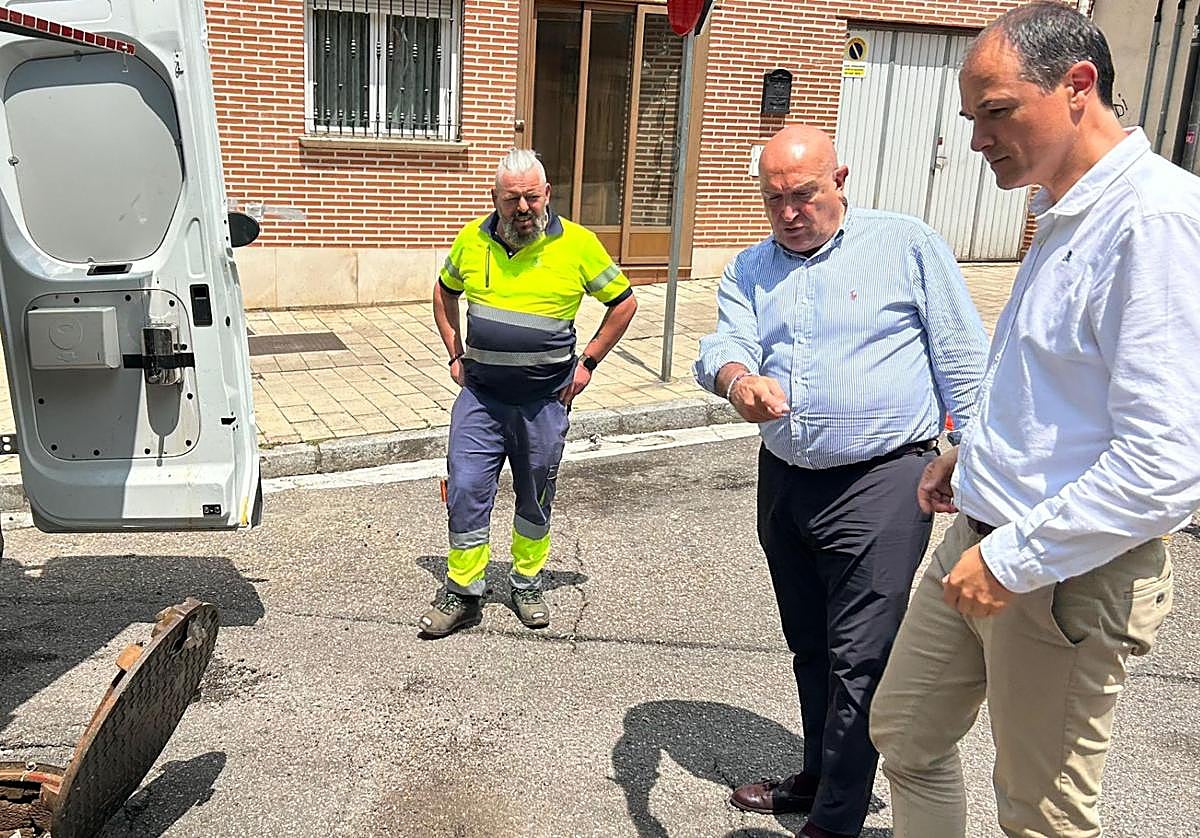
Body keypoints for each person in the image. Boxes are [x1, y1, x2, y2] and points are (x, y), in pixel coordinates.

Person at [869, 5, 1200, 836]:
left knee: (1042, 816)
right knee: (905, 733)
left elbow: (1166, 465)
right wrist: (971, 452)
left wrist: (1013, 560)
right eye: (971, 117)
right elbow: (1057, 388)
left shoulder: (1155, 223)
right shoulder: (1066, 210)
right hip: (984, 534)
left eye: (997, 110)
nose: (978, 138)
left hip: (1064, 571)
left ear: (1077, 86)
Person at [693, 125, 988, 838]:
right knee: (811, 645)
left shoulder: (907, 245)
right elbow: (725, 345)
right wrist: (738, 383)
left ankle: (836, 820)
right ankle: (821, 775)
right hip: (788, 480)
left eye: (805, 195)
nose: (791, 213)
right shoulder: (750, 269)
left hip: (884, 480)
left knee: (860, 659)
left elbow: (964, 359)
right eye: (775, 201)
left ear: (840, 179)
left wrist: (975, 463)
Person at [421, 148, 637, 637]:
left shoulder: (578, 245)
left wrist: (588, 363)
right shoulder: (472, 241)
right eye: (511, 198)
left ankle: (526, 581)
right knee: (467, 489)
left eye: (531, 197)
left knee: (535, 495)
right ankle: (463, 590)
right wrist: (455, 351)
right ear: (493, 198)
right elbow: (444, 291)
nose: (523, 208)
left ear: (547, 196)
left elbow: (623, 303)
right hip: (481, 398)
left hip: (543, 402)